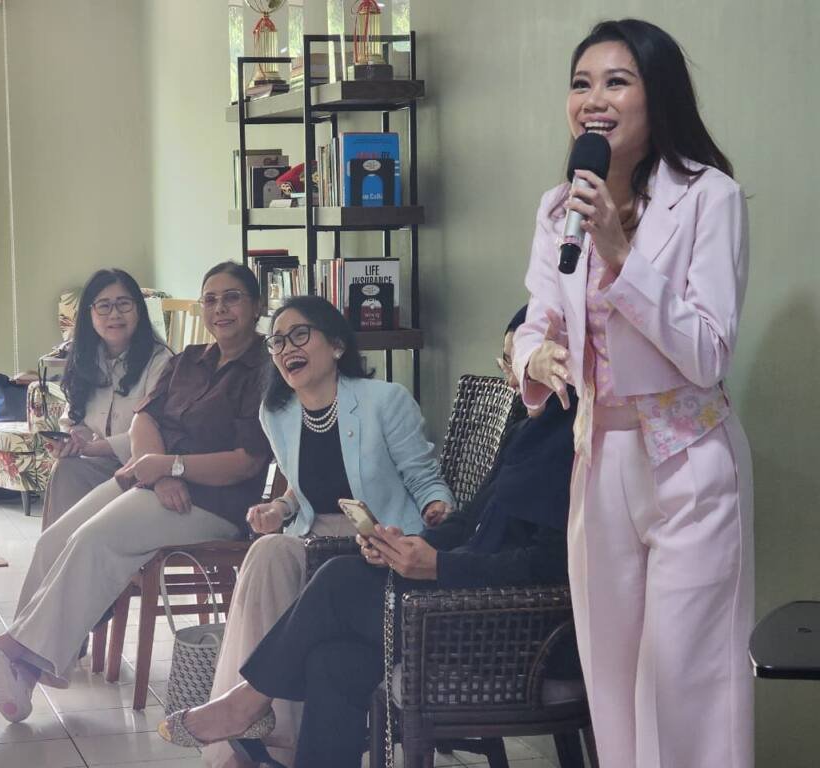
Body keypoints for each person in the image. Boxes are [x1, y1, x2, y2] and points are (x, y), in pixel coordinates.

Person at [160, 306, 579, 768]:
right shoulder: (528, 431)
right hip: (464, 601)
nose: (515, 379)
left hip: (513, 631)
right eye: (509, 363)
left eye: (524, 361)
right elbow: (470, 523)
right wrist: (417, 547)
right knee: (333, 661)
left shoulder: (579, 442)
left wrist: (439, 563)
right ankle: (253, 708)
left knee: (339, 581)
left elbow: (553, 566)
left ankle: (247, 702)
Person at [511, 20, 753, 768]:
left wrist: (622, 257)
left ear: (658, 95)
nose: (594, 100)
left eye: (617, 82)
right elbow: (537, 317)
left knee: (684, 685)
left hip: (690, 463)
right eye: (581, 84)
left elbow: (708, 351)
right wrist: (534, 356)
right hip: (599, 461)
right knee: (611, 685)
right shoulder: (560, 207)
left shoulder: (710, 197)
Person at [0, 262, 273, 723]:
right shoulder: (191, 359)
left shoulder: (265, 370)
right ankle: (21, 677)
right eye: (211, 299)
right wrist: (159, 473)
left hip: (212, 501)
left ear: (257, 306)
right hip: (156, 483)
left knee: (94, 540)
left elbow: (248, 461)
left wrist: (170, 468)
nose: (220, 308)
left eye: (232, 297)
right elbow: (145, 419)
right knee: (55, 539)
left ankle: (7, 651)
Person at [203, 295, 454, 768]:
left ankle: (255, 721)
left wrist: (437, 508)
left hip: (380, 542)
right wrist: (278, 507)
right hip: (314, 536)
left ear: (336, 345)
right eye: (277, 341)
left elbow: (424, 477)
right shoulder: (276, 413)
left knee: (270, 558)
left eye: (300, 335)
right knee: (267, 554)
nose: (287, 349)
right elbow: (300, 490)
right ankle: (260, 725)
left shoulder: (384, 401)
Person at [41, 268, 172, 529]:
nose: (114, 314)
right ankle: (57, 552)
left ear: (138, 310)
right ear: (89, 313)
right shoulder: (84, 360)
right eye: (104, 306)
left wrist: (95, 448)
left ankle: (72, 551)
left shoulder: (161, 361)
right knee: (65, 469)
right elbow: (74, 420)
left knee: (71, 474)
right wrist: (72, 443)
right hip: (98, 466)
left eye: (124, 304)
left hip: (140, 469)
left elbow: (159, 432)